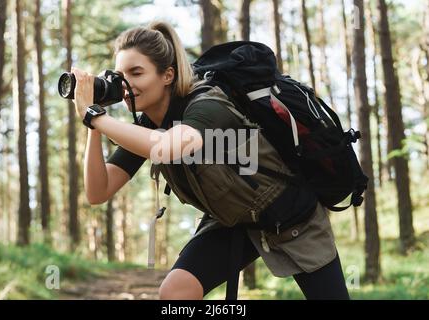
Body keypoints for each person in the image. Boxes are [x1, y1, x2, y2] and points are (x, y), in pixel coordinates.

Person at [71, 21, 350, 300]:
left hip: (289, 215)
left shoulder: (206, 105)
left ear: (167, 75)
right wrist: (93, 124)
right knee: (176, 291)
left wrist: (96, 116)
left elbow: (168, 147)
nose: (125, 85)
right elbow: (99, 191)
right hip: (231, 219)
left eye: (136, 73)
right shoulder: (146, 127)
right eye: (120, 76)